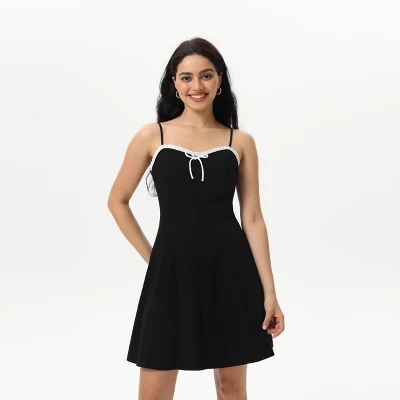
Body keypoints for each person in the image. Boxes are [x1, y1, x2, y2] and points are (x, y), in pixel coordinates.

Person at [107, 37, 285, 400]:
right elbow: (117, 202)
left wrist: (270, 292)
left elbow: (252, 217)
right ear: (174, 82)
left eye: (206, 75)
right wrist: (153, 258)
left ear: (219, 80)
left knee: (231, 387)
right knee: (153, 392)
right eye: (186, 77)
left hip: (230, 272)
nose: (196, 86)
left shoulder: (240, 141)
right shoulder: (152, 135)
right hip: (170, 274)